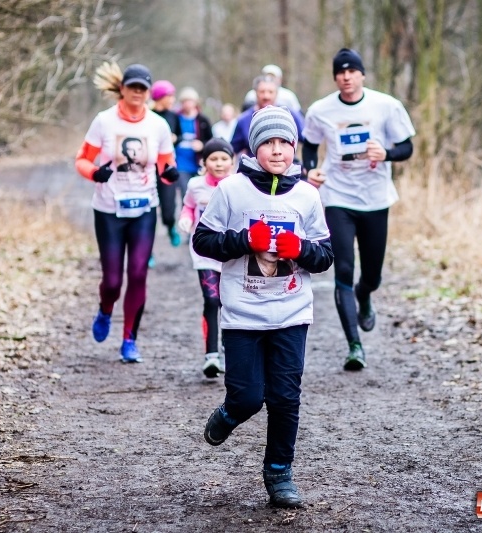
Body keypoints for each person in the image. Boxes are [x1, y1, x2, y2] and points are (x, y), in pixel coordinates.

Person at [193, 106, 333, 508]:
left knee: (286, 397)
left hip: (291, 313)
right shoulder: (232, 190)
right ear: (255, 147)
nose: (277, 151)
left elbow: (324, 256)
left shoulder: (307, 195)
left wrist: (301, 249)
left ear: (294, 147)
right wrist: (242, 240)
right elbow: (203, 241)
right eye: (268, 143)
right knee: (248, 397)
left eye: (284, 143)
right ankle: (229, 414)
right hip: (242, 314)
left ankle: (279, 473)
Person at [301, 48, 415, 371]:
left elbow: (407, 146)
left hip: (376, 198)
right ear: (335, 77)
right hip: (337, 197)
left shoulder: (386, 106)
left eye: (352, 71)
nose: (346, 77)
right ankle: (354, 346)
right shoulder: (320, 110)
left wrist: (387, 152)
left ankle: (365, 296)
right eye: (340, 72)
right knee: (344, 270)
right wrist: (310, 169)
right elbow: (309, 143)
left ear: (362, 74)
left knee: (372, 275)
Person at [74, 62, 179, 363]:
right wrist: (95, 173)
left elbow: (165, 167)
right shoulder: (104, 122)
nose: (137, 92)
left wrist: (170, 174)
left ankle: (129, 340)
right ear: (122, 88)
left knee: (138, 273)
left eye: (142, 88)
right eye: (132, 87)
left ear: (148, 92)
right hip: (108, 210)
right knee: (111, 282)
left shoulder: (158, 125)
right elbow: (82, 160)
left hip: (144, 208)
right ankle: (106, 309)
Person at [176, 138, 235, 378]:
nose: (219, 164)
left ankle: (228, 346)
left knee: (230, 303)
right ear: (205, 162)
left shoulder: (238, 185)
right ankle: (211, 355)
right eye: (214, 159)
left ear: (232, 162)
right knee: (211, 300)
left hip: (232, 253)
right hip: (204, 253)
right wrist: (187, 219)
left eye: (224, 159)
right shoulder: (195, 185)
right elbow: (188, 206)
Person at [231, 76, 304, 157]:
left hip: (286, 166)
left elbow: (307, 141)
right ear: (255, 93)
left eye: (270, 92)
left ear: (276, 93)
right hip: (255, 168)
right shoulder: (243, 120)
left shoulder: (290, 115)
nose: (266, 96)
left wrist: (306, 166)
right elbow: (232, 150)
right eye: (262, 92)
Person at [150, 80, 183, 248]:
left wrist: (175, 139)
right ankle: (147, 251)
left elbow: (180, 135)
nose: (172, 99)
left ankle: (170, 227)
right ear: (159, 97)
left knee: (168, 209)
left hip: (167, 168)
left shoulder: (174, 116)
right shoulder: (148, 115)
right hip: (148, 168)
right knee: (148, 213)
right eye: (169, 95)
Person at [175, 87, 213, 199]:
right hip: (181, 163)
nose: (188, 104)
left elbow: (211, 141)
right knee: (185, 194)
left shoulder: (202, 120)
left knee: (199, 194)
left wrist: (202, 145)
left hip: (198, 163)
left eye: (190, 101)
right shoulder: (176, 118)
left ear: (195, 102)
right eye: (185, 101)